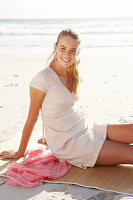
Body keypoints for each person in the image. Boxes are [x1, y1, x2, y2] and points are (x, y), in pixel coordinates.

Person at [1, 29, 133, 168]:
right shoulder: (41, 79)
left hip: (85, 128)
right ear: (55, 47)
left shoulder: (73, 73)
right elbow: (32, 117)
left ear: (78, 52)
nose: (67, 54)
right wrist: (20, 151)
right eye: (63, 48)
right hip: (70, 144)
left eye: (72, 50)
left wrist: (51, 135)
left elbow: (62, 108)